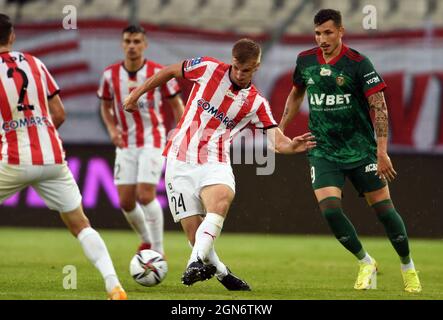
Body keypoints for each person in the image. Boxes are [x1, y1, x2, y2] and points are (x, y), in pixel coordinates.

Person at [123, 38, 316, 290]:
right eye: (236, 66)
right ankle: (224, 274)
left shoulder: (256, 103)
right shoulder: (208, 67)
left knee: (222, 199)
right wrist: (136, 94)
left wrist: (292, 146)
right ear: (232, 60)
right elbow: (170, 70)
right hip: (179, 160)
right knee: (195, 237)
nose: (239, 73)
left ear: (255, 68)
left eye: (245, 70)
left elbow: (276, 141)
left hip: (215, 160)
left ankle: (193, 263)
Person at [279, 9, 421, 292]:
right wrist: (280, 130)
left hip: (361, 150)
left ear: (341, 31)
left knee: (384, 212)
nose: (322, 39)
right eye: (318, 33)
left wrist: (382, 152)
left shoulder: (358, 63)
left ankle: (408, 266)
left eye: (328, 32)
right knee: (330, 211)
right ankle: (366, 261)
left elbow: (378, 105)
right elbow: (297, 92)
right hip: (323, 149)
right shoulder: (305, 60)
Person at [0, 14, 127, 300]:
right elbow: (59, 113)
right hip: (53, 157)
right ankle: (113, 285)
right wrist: (39, 133)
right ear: (12, 37)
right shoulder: (35, 63)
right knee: (81, 225)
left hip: (13, 159)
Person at [97, 25, 184, 256]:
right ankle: (146, 239)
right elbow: (105, 106)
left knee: (145, 195)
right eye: (128, 41)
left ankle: (158, 250)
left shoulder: (158, 72)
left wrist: (180, 132)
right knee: (126, 202)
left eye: (137, 41)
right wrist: (112, 128)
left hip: (152, 140)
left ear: (145, 45)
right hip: (125, 143)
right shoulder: (109, 75)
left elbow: (177, 106)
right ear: (122, 44)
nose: (132, 46)